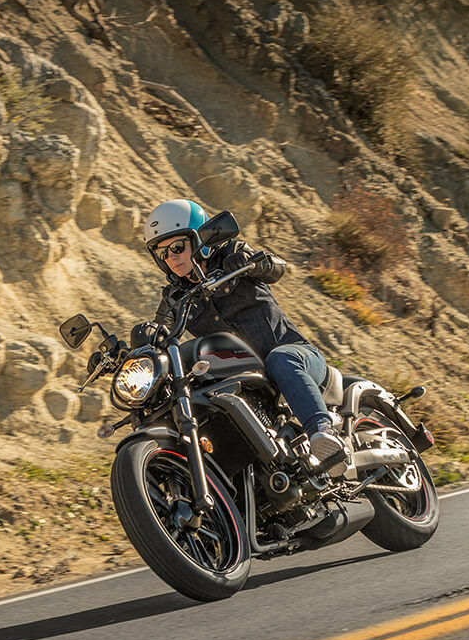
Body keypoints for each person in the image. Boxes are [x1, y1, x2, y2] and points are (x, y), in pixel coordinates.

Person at [145, 199, 346, 475]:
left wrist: (252, 262)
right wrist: (145, 341)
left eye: (177, 247)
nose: (172, 258)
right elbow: (161, 331)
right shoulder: (174, 298)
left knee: (280, 358)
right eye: (163, 254)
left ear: (200, 239)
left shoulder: (232, 253)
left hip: (295, 355)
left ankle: (323, 433)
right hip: (246, 380)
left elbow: (277, 267)